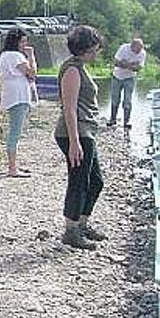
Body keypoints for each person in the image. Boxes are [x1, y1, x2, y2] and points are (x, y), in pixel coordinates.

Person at [54, 25, 107, 250]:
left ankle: (82, 223)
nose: (96, 54)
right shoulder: (73, 70)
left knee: (95, 181)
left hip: (85, 131)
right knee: (79, 181)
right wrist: (75, 141)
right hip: (75, 132)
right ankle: (71, 230)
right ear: (83, 49)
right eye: (93, 50)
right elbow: (69, 108)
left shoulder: (79, 67)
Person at [0, 28, 36, 178]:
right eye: (22, 41)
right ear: (16, 42)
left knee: (15, 130)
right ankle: (12, 168)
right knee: (15, 131)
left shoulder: (5, 55)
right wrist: (31, 56)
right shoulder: (15, 56)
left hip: (12, 93)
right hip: (18, 96)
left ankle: (13, 165)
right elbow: (32, 72)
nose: (24, 44)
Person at [108, 37, 145, 128]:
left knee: (128, 100)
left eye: (140, 49)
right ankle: (113, 119)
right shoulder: (123, 48)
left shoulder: (142, 53)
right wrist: (131, 65)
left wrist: (125, 64)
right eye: (138, 49)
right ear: (132, 46)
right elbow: (116, 62)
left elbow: (138, 68)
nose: (139, 52)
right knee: (115, 99)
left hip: (130, 78)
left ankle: (126, 121)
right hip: (117, 76)